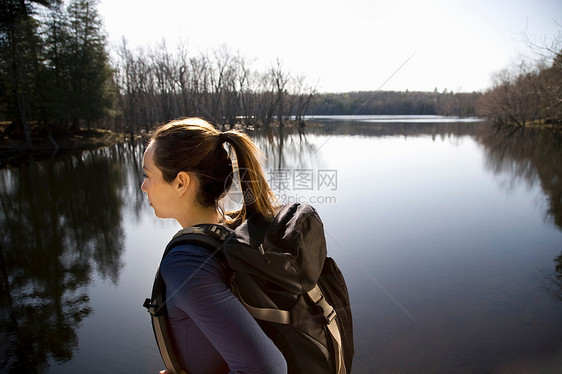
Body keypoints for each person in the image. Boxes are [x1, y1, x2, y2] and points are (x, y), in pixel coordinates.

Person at [141, 117, 287, 374]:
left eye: (148, 175)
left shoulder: (186, 264)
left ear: (181, 182)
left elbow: (267, 369)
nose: (143, 187)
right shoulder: (233, 232)